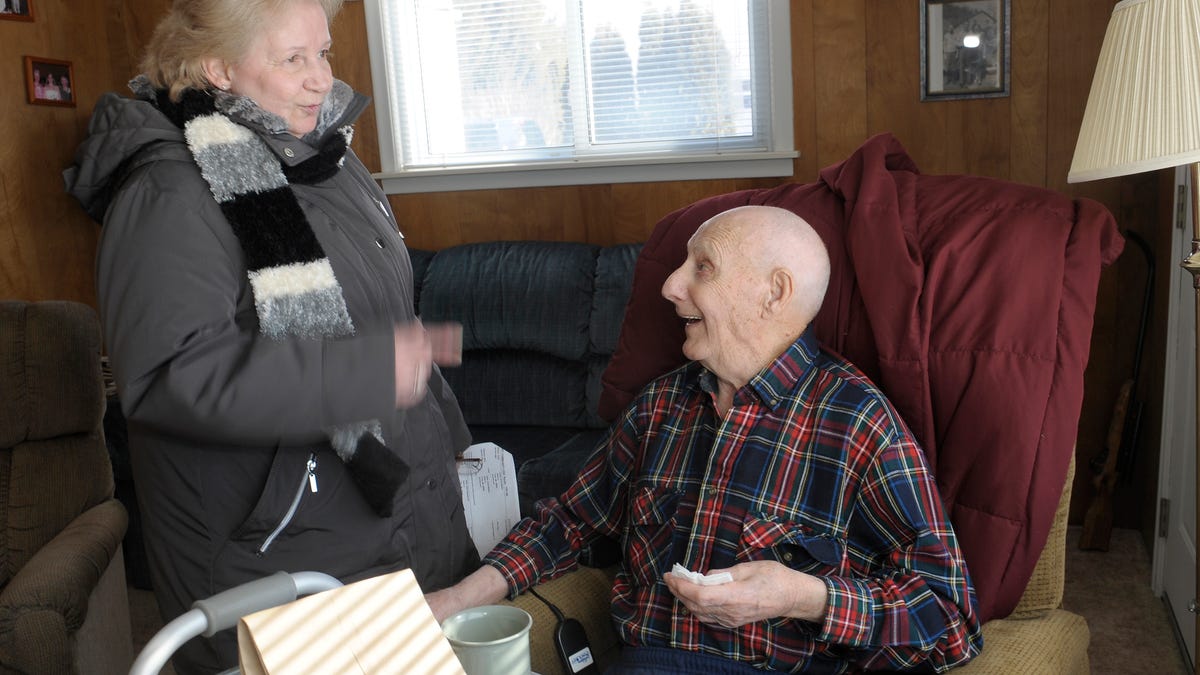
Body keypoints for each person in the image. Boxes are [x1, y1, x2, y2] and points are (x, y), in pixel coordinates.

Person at [63, 0, 478, 672]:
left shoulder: (328, 162)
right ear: (218, 67)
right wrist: (362, 373)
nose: (322, 79)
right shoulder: (168, 193)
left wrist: (446, 442)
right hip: (277, 547)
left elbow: (388, 326)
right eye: (294, 59)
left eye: (324, 53)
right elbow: (172, 374)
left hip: (384, 512)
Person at [428, 205, 984, 673]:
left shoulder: (859, 423)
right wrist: (454, 600)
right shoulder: (661, 406)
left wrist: (801, 595)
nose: (671, 286)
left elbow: (951, 619)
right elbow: (567, 524)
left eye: (703, 267)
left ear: (775, 292)